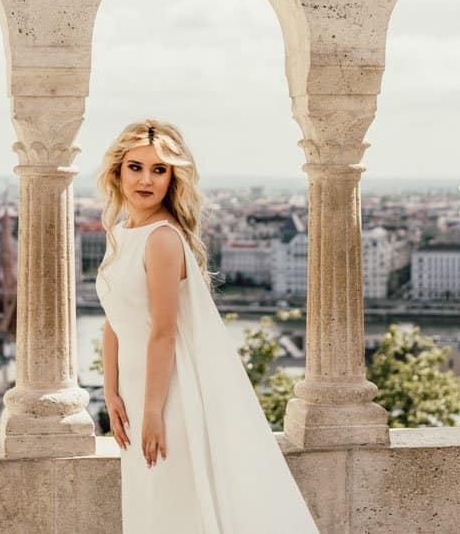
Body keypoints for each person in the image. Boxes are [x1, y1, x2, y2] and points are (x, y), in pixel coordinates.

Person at [95, 119, 320, 534]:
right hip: (136, 391)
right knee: (149, 506)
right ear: (117, 171)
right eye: (136, 167)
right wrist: (111, 391)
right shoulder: (122, 232)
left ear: (173, 178)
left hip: (167, 396)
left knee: (172, 506)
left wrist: (153, 412)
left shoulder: (162, 239)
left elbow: (163, 332)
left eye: (159, 169)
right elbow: (115, 319)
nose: (146, 179)